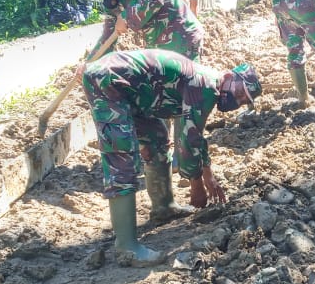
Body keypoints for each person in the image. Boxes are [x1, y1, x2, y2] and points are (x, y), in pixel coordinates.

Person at [82, 49, 262, 266]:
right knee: (121, 156)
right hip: (109, 82)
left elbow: (195, 133)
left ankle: (164, 207)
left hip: (134, 93)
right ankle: (127, 247)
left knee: (157, 138)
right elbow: (188, 142)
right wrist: (197, 187)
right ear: (229, 77)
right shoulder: (205, 86)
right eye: (241, 93)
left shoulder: (208, 86)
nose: (239, 101)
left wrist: (208, 176)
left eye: (244, 101)